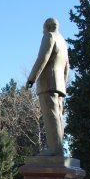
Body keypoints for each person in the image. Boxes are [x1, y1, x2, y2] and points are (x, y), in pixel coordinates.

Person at [26, 18, 69, 156]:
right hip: (59, 84)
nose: (42, 30)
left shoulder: (49, 36)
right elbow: (67, 66)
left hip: (48, 82)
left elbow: (42, 58)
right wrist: (63, 83)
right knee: (58, 116)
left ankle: (54, 150)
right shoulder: (63, 41)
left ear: (48, 26)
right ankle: (58, 148)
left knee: (51, 116)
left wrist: (31, 78)